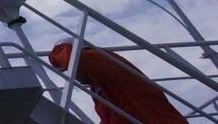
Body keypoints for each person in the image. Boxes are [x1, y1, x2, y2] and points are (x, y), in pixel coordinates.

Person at [48, 39, 187, 124]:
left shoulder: (98, 57)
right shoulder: (98, 85)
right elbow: (109, 116)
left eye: (69, 69)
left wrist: (57, 55)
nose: (71, 74)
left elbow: (75, 59)